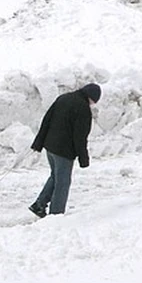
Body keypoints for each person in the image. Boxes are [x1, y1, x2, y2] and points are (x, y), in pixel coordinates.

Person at [28, 83, 101, 217]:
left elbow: (47, 119)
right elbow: (80, 136)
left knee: (55, 176)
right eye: (93, 102)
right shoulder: (83, 108)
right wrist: (83, 158)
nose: (92, 105)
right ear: (91, 97)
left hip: (50, 147)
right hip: (64, 151)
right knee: (63, 182)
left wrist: (39, 142)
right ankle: (56, 215)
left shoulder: (64, 98)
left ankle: (39, 204)